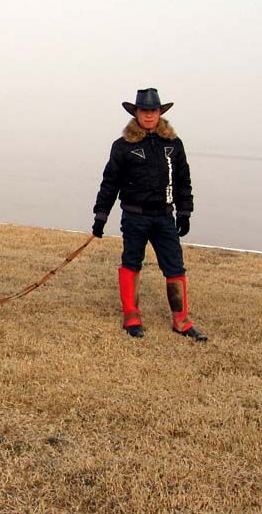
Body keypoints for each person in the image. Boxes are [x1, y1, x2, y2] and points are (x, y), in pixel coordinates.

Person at [92, 88, 207, 341]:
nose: (148, 115)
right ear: (136, 113)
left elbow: (183, 180)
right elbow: (110, 183)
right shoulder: (122, 146)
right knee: (131, 263)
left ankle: (181, 320)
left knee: (175, 267)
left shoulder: (174, 145)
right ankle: (131, 316)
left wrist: (185, 211)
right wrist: (100, 215)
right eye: (144, 110)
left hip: (164, 217)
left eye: (152, 110)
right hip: (134, 217)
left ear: (159, 112)